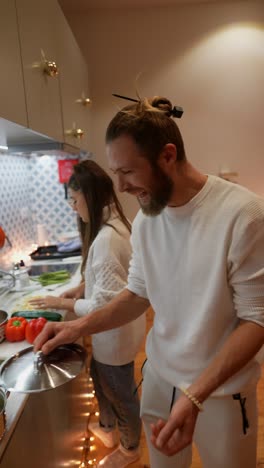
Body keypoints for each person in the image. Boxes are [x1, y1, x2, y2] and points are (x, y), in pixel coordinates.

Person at [34, 97, 264, 468]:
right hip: (160, 379)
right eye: (115, 172)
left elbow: (257, 319)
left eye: (128, 172)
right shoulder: (146, 221)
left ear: (168, 156)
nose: (120, 186)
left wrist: (196, 396)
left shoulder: (243, 214)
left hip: (221, 392)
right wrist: (76, 327)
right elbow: (137, 293)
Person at [30, 160, 145, 468]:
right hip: (118, 332)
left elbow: (103, 306)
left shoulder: (106, 239)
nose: (72, 206)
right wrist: (81, 287)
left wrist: (62, 304)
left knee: (121, 394)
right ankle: (108, 430)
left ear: (89, 197)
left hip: (114, 334)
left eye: (74, 199)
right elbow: (108, 279)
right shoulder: (116, 224)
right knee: (101, 378)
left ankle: (131, 448)